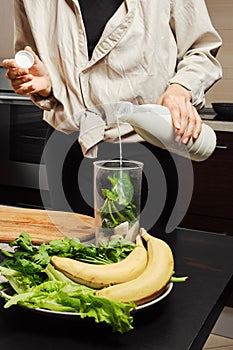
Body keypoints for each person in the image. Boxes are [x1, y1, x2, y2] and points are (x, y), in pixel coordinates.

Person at [2, 0, 222, 231]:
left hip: (148, 145)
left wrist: (180, 88)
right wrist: (45, 84)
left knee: (149, 253)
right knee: (70, 255)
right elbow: (31, 56)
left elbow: (202, 50)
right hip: (69, 144)